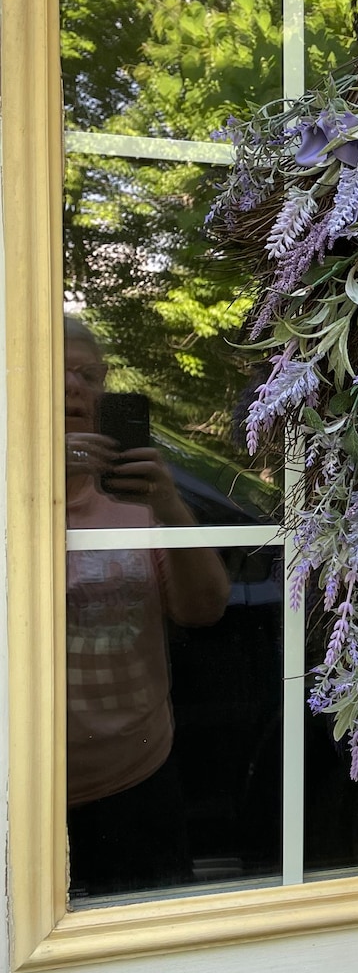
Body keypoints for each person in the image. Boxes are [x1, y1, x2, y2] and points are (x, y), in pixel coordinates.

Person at [64, 316, 229, 896]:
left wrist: (169, 504)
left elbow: (204, 609)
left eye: (89, 373)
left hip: (136, 780)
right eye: (56, 371)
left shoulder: (139, 500)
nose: (74, 387)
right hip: (22, 786)